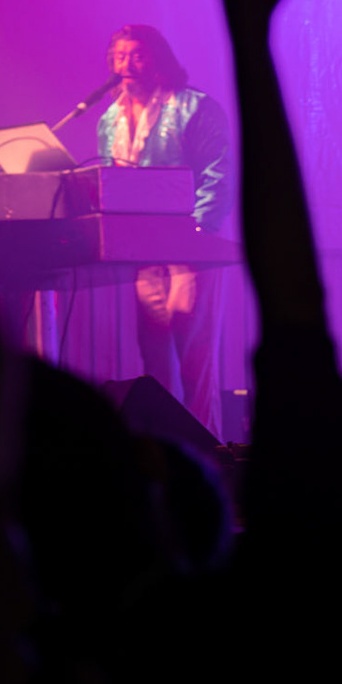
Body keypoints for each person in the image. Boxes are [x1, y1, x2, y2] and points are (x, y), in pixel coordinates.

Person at [95, 25, 233, 437]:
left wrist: (197, 233)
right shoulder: (108, 119)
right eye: (119, 56)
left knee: (195, 352)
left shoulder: (195, 108)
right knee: (153, 353)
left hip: (191, 245)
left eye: (136, 55)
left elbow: (218, 174)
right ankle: (163, 444)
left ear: (157, 60)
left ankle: (207, 446)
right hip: (142, 251)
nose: (126, 65)